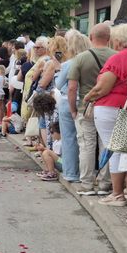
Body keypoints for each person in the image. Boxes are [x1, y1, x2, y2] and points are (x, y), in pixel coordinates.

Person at [83, 24, 127, 207]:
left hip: (110, 107)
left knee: (113, 149)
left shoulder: (118, 58)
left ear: (118, 40)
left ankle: (117, 194)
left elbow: (102, 88)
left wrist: (88, 97)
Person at [67, 23, 117, 195]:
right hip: (110, 106)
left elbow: (72, 87)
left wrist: (73, 110)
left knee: (87, 145)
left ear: (90, 37)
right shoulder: (116, 57)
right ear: (109, 38)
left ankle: (87, 184)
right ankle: (105, 183)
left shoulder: (81, 58)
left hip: (86, 107)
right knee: (107, 144)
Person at [56, 30, 89, 183]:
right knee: (86, 140)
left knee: (69, 138)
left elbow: (59, 84)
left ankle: (71, 173)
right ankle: (87, 173)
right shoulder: (90, 61)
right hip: (86, 101)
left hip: (68, 101)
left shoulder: (69, 64)